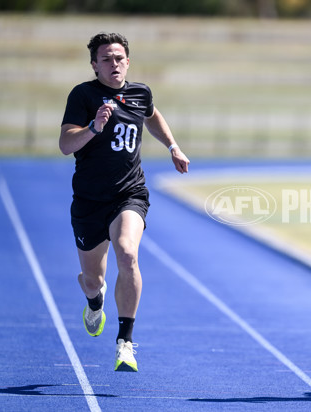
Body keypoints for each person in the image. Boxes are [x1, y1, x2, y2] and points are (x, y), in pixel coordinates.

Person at [59, 32, 190, 372]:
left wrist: (172, 145)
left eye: (119, 58)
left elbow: (152, 114)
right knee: (92, 278)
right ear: (94, 65)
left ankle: (126, 342)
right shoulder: (83, 95)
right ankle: (94, 300)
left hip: (129, 194)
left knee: (128, 252)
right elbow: (65, 145)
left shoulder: (139, 92)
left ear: (127, 62)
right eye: (106, 59)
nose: (113, 64)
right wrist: (93, 127)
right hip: (89, 200)